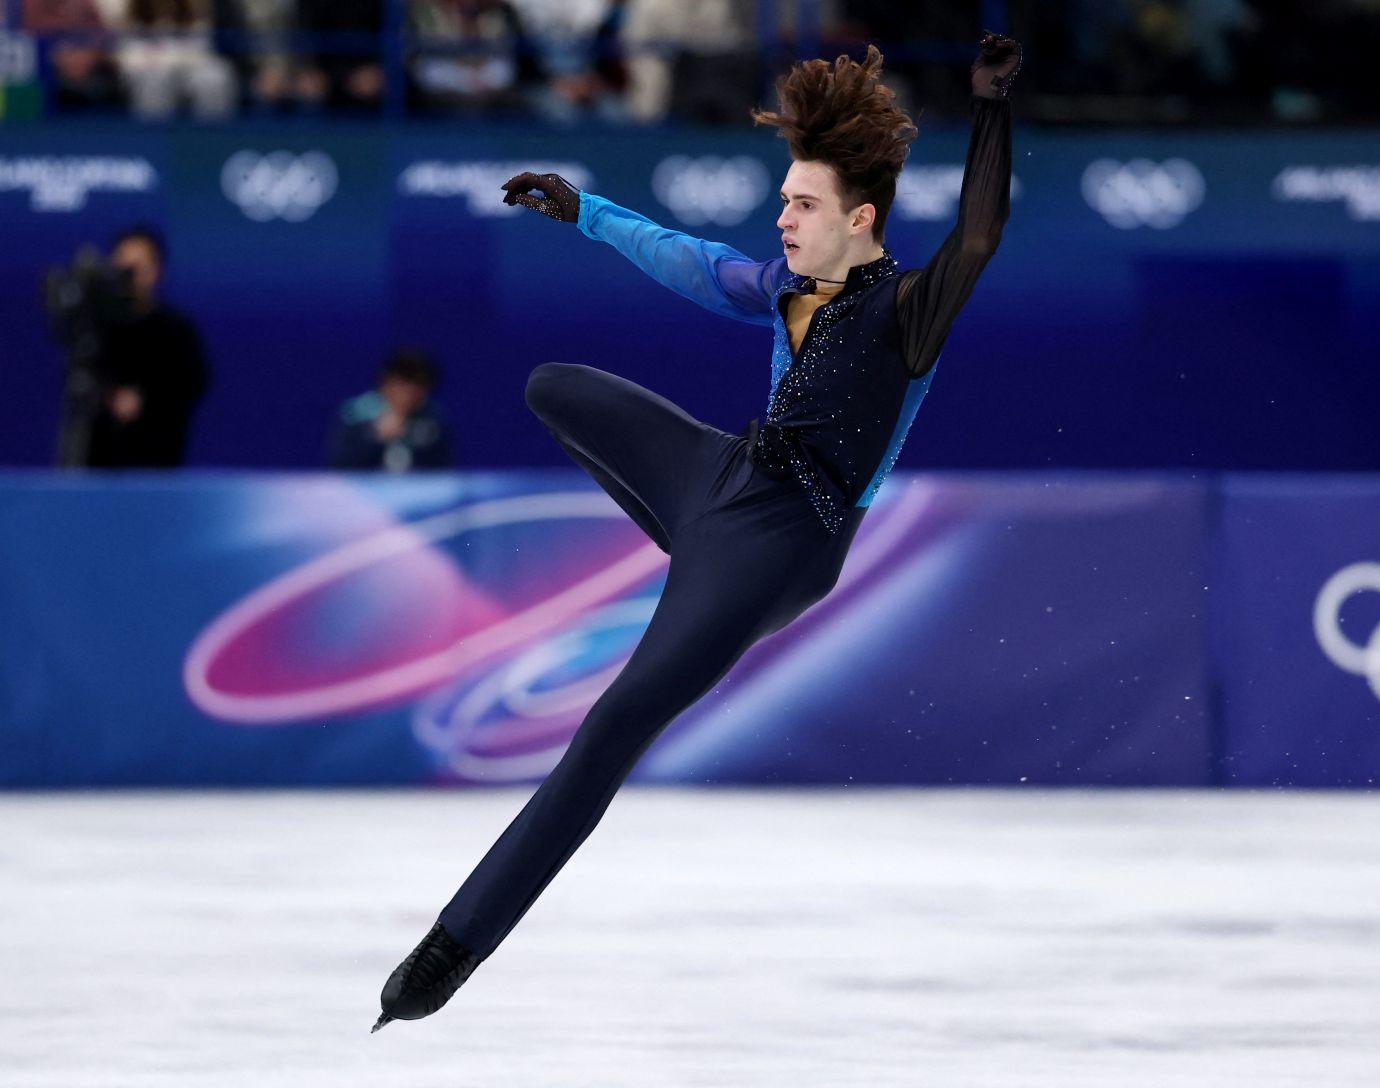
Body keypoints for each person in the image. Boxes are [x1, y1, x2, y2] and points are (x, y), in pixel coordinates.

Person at [372, 31, 1021, 1031]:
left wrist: (989, 108)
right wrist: (586, 211)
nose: (782, 216)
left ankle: (450, 951)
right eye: (784, 199)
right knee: (555, 385)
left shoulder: (908, 310)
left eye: (801, 205)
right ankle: (690, 556)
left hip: (786, 538)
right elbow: (689, 262)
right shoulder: (785, 289)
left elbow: (976, 238)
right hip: (723, 479)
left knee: (611, 725)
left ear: (860, 217)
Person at [84, 227, 210, 468]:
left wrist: (145, 401)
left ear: (156, 272)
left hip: (156, 462)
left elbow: (193, 382)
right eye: (122, 268)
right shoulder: (95, 328)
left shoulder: (175, 330)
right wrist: (109, 397)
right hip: (98, 466)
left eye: (137, 268)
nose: (129, 277)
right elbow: (81, 380)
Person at [327, 348, 455, 471]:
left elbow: (445, 471)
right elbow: (339, 468)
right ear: (385, 383)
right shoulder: (356, 414)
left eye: (418, 385)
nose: (409, 392)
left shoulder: (434, 418)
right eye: (402, 384)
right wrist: (377, 438)